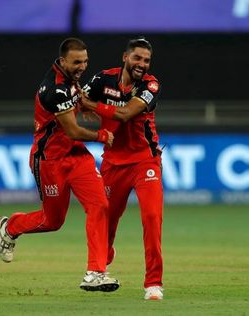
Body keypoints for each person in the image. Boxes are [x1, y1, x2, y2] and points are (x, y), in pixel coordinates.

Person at [0, 38, 119, 292]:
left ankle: (95, 272)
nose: (82, 66)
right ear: (63, 61)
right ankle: (11, 227)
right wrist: (101, 136)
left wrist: (83, 104)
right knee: (53, 221)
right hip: (49, 161)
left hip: (76, 156)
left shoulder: (70, 78)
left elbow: (76, 102)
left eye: (85, 61)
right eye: (77, 62)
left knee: (99, 205)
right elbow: (73, 131)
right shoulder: (53, 89)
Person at [80, 38, 164, 300]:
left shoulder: (150, 85)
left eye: (146, 60)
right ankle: (101, 264)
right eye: (137, 58)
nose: (142, 64)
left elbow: (127, 113)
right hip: (113, 162)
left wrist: (92, 106)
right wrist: (89, 108)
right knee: (106, 219)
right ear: (125, 57)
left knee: (151, 218)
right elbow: (79, 99)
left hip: (144, 161)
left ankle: (153, 282)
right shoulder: (102, 79)